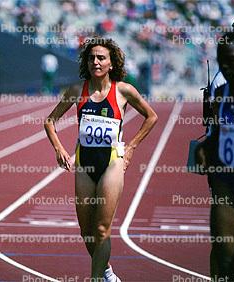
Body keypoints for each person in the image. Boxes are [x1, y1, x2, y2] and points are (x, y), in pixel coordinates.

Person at [44, 37, 157, 280]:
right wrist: (59, 149)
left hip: (111, 164)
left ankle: (96, 278)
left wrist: (132, 148)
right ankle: (106, 271)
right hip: (84, 164)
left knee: (102, 228)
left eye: (101, 58)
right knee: (87, 231)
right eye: (92, 57)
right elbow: (49, 121)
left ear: (111, 63)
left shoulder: (124, 91)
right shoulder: (77, 91)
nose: (96, 61)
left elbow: (151, 116)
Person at [196, 31, 234, 280]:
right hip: (228, 186)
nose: (227, 67)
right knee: (225, 258)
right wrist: (204, 148)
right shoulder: (221, 96)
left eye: (232, 60)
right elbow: (218, 134)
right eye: (222, 62)